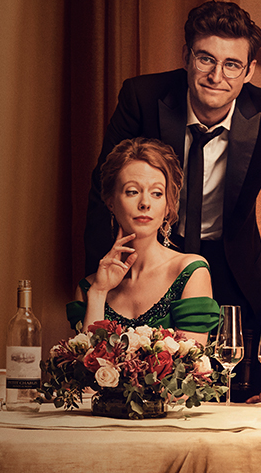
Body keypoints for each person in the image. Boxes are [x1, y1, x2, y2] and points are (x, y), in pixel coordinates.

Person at [82, 1, 261, 395]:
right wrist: (102, 282)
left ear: (249, 71)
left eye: (232, 64)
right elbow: (104, 192)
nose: (217, 76)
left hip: (232, 270)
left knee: (228, 394)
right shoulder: (142, 97)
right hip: (151, 266)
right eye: (205, 60)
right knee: (139, 389)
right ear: (187, 58)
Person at [69, 138, 220, 344]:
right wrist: (99, 292)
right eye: (132, 192)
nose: (145, 203)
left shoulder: (190, 272)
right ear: (110, 201)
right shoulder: (89, 288)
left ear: (168, 205)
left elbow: (193, 369)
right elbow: (87, 370)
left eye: (157, 193)